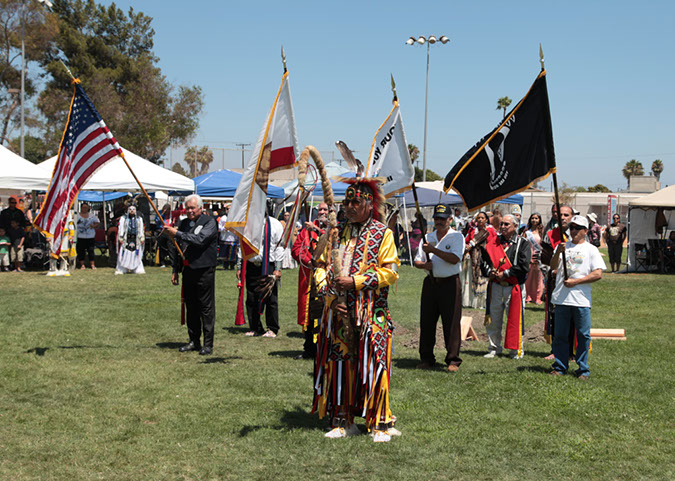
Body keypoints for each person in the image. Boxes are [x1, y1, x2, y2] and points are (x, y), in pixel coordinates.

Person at [312, 179, 400, 442]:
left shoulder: (382, 234)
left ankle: (380, 422)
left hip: (372, 312)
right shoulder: (336, 233)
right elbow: (319, 266)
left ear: (369, 204)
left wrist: (356, 282)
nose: (349, 207)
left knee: (375, 363)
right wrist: (331, 295)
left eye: (355, 202)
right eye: (346, 202)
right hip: (339, 311)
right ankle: (343, 420)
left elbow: (390, 272)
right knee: (340, 364)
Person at [550, 215, 606, 379]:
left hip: (581, 299)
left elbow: (597, 274)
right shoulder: (562, 247)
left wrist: (576, 281)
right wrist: (558, 253)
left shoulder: (591, 250)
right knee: (560, 335)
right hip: (561, 298)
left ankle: (583, 369)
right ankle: (560, 366)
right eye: (571, 228)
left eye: (577, 228)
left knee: (583, 335)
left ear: (585, 231)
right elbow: (552, 267)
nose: (573, 231)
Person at [165, 194, 218, 356]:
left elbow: (200, 240)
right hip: (188, 270)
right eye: (187, 208)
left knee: (206, 308)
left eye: (192, 208)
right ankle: (194, 341)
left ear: (200, 208)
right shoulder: (184, 223)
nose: (189, 211)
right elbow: (176, 246)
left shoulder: (210, 222)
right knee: (191, 307)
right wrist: (175, 269)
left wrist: (177, 233)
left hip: (204, 270)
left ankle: (207, 344)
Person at [414, 204, 465, 372]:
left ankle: (453, 360)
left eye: (443, 218)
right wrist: (424, 265)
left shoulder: (457, 237)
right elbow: (417, 261)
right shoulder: (427, 236)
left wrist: (433, 250)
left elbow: (455, 259)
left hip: (450, 283)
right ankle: (427, 358)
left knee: (451, 322)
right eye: (437, 218)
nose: (439, 221)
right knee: (427, 321)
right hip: (431, 283)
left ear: (450, 219)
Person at [481, 214, 531, 359]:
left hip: (514, 286)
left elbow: (523, 265)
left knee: (515, 318)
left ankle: (516, 350)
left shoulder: (523, 243)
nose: (502, 227)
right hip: (496, 285)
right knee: (494, 319)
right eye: (501, 224)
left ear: (515, 226)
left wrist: (506, 273)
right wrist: (490, 272)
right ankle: (494, 348)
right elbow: (484, 261)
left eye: (506, 224)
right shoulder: (493, 242)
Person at [291, 202, 329, 359]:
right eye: (319, 209)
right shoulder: (306, 230)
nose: (322, 212)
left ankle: (326, 350)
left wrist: (318, 230)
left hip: (327, 279)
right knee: (309, 315)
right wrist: (309, 262)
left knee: (326, 314)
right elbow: (296, 250)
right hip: (309, 279)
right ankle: (309, 350)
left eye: (325, 209)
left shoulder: (335, 229)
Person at [237, 213, 284, 338]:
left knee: (270, 297)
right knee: (251, 297)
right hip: (251, 264)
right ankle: (255, 327)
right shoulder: (247, 224)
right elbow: (241, 245)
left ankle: (272, 328)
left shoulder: (275, 224)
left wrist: (278, 268)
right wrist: (239, 266)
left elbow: (279, 247)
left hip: (269, 265)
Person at [461, 211, 497, 309]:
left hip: (485, 258)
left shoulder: (490, 230)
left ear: (486, 220)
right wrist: (468, 248)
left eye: (482, 218)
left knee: (484, 277)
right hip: (473, 258)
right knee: (472, 277)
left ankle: (483, 302)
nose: (480, 219)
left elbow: (493, 244)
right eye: (478, 218)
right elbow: (466, 241)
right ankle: (472, 300)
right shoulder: (472, 230)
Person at [115, 205, 146, 275]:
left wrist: (142, 236)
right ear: (127, 210)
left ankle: (137, 269)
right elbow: (121, 227)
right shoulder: (123, 218)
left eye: (133, 209)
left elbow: (141, 228)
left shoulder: (139, 219)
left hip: (136, 239)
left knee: (136, 253)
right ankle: (122, 269)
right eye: (130, 209)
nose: (132, 211)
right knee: (124, 253)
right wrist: (121, 236)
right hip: (126, 238)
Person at [523, 213, 544, 304]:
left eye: (536, 218)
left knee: (538, 278)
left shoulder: (542, 231)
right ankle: (528, 296)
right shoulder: (526, 232)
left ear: (539, 220)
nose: (534, 220)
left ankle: (537, 297)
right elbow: (523, 244)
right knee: (528, 278)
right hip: (528, 256)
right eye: (532, 218)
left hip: (538, 257)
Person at [75, 203, 100, 270]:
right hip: (80, 236)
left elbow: (97, 222)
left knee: (91, 251)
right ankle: (82, 265)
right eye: (83, 207)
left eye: (86, 207)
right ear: (81, 208)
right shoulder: (77, 215)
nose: (85, 209)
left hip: (90, 236)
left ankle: (92, 265)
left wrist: (94, 226)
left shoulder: (92, 215)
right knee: (81, 251)